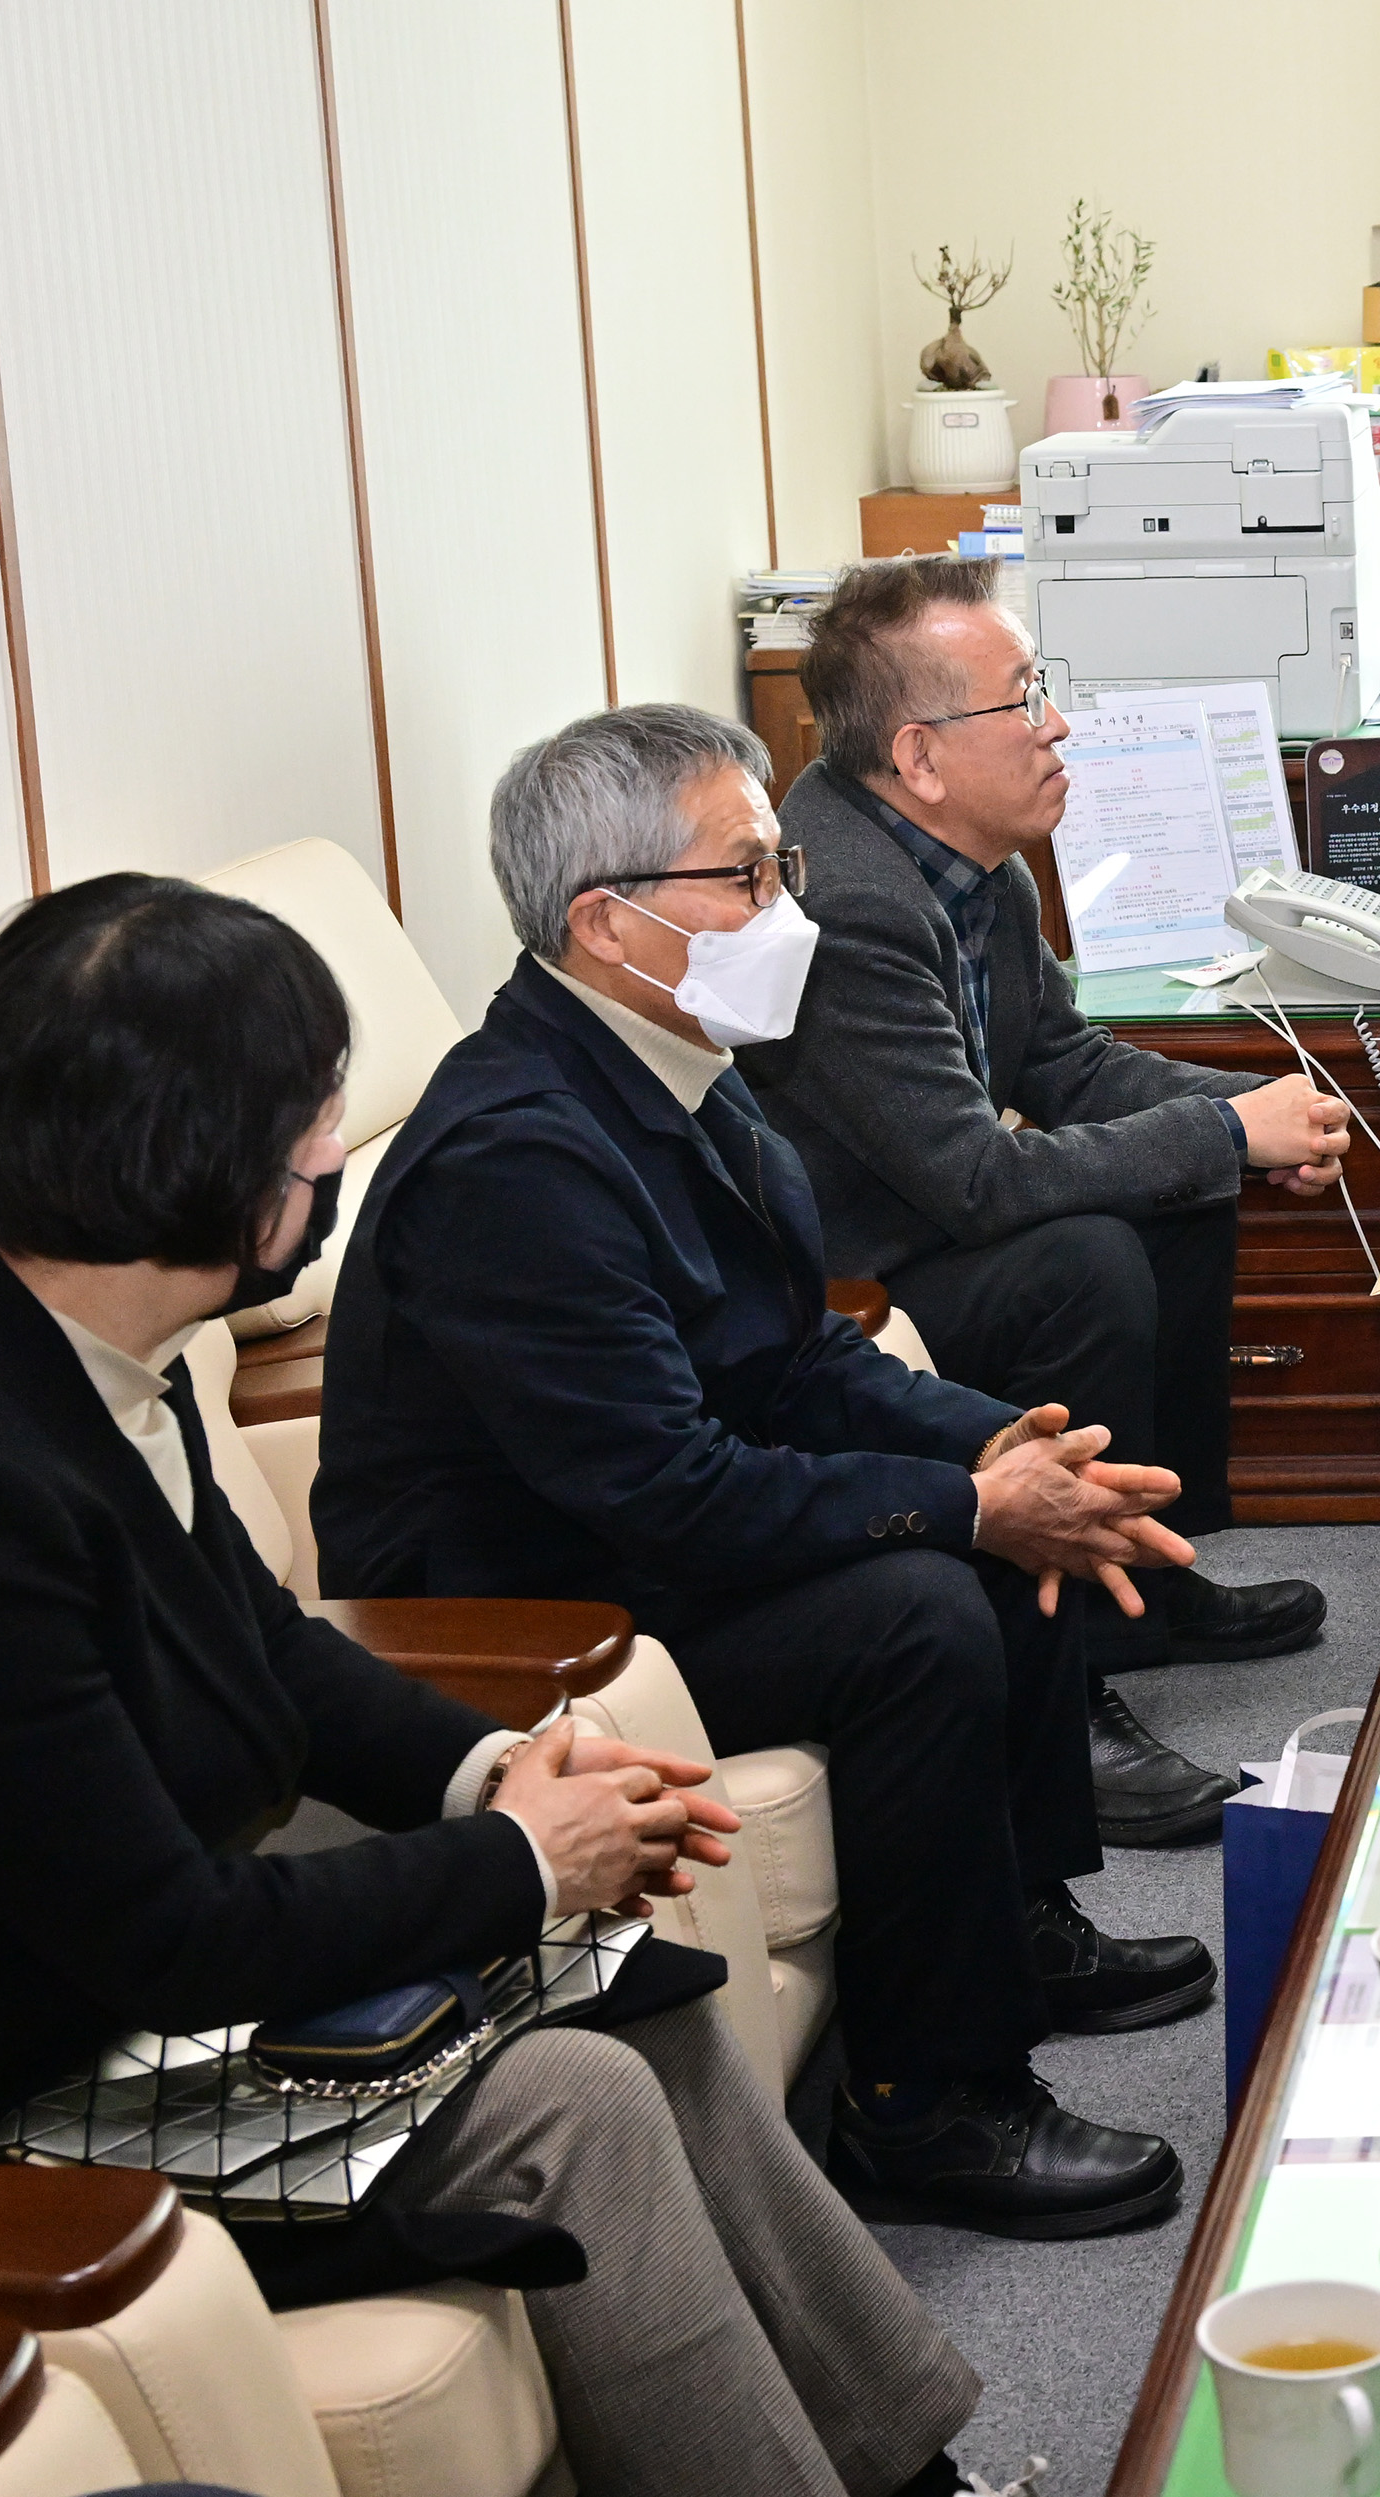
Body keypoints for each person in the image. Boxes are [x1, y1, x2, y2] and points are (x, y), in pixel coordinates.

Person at [0, 876, 985, 2497]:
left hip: (128, 1990)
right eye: (310, 1128)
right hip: (2, 2106)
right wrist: (518, 1866)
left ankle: (906, 2466)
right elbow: (162, 1936)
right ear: (193, 1169)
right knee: (578, 2096)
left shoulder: (66, 1349)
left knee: (649, 2002)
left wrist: (491, 1775)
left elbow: (268, 1645)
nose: (333, 1155)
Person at [315, 704, 1219, 2238]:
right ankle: (932, 2108)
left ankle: (1017, 1927)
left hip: (646, 1523)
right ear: (610, 921)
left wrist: (997, 1444)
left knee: (1021, 1489)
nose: (786, 907)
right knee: (924, 1606)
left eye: (782, 864)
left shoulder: (676, 1059)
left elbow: (792, 1355)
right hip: (535, 1609)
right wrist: (964, 1506)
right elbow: (665, 1488)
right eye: (749, 875)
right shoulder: (519, 1155)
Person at [744, 553, 1339, 1685]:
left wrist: (1257, 1114)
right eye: (1022, 697)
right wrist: (1224, 1134)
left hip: (932, 1216)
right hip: (849, 1279)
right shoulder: (852, 907)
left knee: (1179, 1198)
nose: (1056, 723)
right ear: (917, 756)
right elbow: (974, 1178)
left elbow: (1064, 1062)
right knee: (1088, 1257)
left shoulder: (978, 862)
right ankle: (1085, 1654)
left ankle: (1153, 1573)